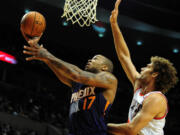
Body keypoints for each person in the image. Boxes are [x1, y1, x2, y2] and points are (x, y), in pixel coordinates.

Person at [107, 0, 179, 135]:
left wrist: (99, 125)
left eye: (148, 66)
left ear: (155, 74)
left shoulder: (156, 99)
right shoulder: (139, 85)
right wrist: (114, 24)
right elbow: (124, 56)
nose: (142, 68)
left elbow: (131, 129)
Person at [22, 38, 118, 135]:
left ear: (104, 67)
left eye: (95, 58)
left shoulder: (109, 78)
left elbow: (77, 74)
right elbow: (69, 72)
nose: (90, 60)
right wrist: (45, 58)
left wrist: (48, 56)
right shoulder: (79, 83)